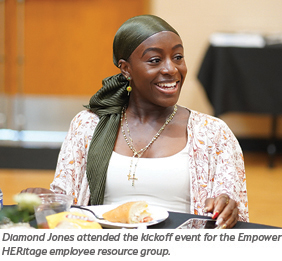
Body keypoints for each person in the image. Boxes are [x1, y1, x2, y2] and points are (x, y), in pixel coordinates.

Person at [22, 14, 248, 228]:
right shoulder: (88, 125)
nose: (171, 68)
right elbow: (65, 204)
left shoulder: (213, 133)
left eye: (178, 57)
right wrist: (41, 198)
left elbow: (230, 206)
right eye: (155, 60)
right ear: (126, 69)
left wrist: (228, 206)